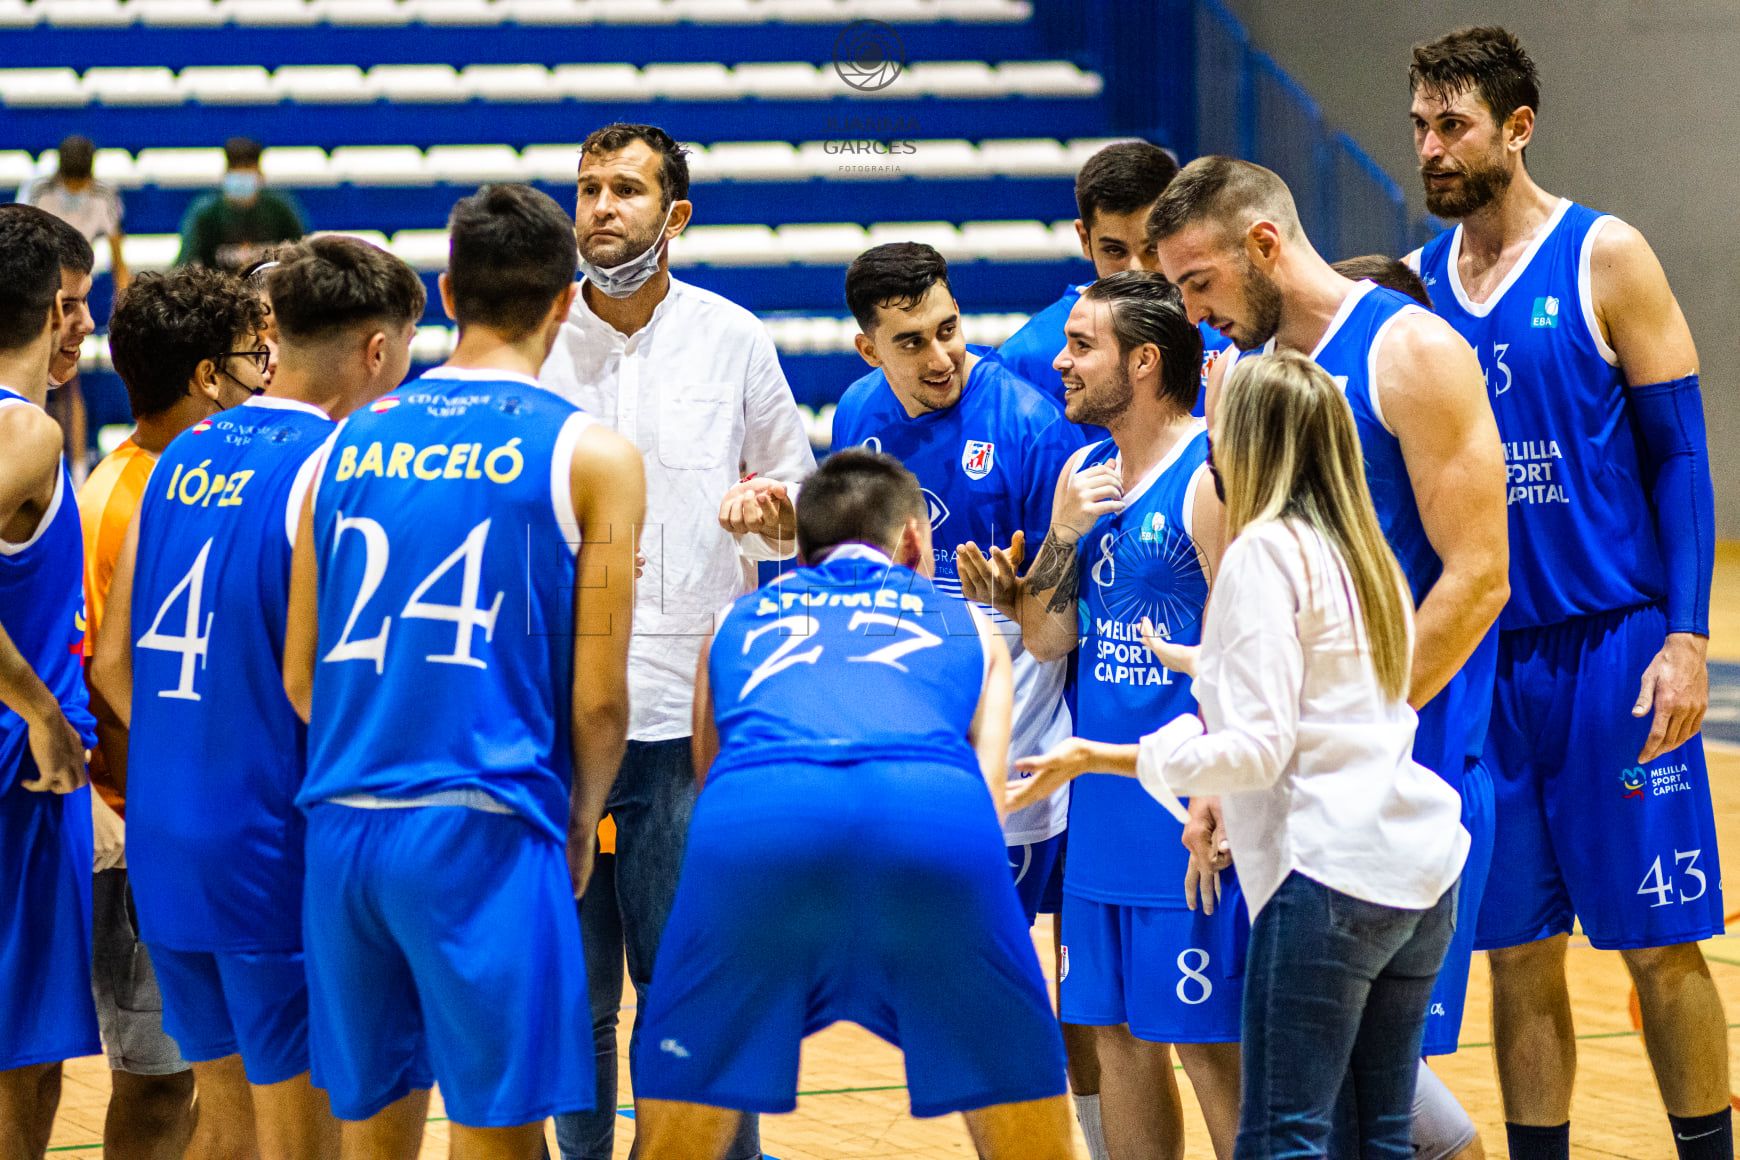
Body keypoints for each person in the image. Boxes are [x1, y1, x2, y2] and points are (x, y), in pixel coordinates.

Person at [1011, 348, 1470, 1157]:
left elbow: (1257, 751)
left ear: (1244, 440)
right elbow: (1324, 687)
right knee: (1377, 1135)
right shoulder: (1361, 551)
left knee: (1283, 1137)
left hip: (1331, 879)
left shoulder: (1263, 551)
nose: (1207, 436)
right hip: (1420, 876)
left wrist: (1108, 757)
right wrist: (1205, 662)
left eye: (1218, 418)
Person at [1408, 27, 1729, 1160]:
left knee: (1659, 938)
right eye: (1420, 127)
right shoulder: (1417, 288)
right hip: (1490, 659)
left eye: (1453, 125)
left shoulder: (1607, 256)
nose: (1432, 148)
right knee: (1517, 948)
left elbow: (1679, 457)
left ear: (1517, 127)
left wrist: (1687, 635)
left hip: (1614, 647)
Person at [1149, 156, 1509, 1157]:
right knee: (1365, 1119)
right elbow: (1240, 595)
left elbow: (1481, 573)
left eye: (1198, 283)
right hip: (1295, 788)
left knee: (1362, 1119)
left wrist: (1360, 729)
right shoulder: (1244, 380)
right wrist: (1232, 761)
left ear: (1262, 244)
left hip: (1398, 781)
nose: (1191, 311)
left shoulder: (1409, 350)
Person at [284, 184, 643, 1160]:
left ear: (446, 291)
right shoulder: (593, 455)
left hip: (344, 829)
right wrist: (580, 818)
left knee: (372, 1139)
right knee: (497, 1139)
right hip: (484, 826)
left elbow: (302, 676)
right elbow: (602, 698)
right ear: (565, 301)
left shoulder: (336, 446)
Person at [631, 449, 1071, 1160]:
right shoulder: (973, 628)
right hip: (930, 823)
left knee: (676, 1147)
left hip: (760, 825)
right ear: (913, 543)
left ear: (802, 553)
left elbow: (714, 776)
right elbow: (987, 804)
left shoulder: (736, 623)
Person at [91, 238, 425, 1160]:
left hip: (170, 840)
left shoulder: (178, 452)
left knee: (228, 1133)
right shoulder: (342, 462)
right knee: (300, 1144)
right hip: (272, 850)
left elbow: (114, 663)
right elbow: (323, 682)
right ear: (377, 350)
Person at [539, 121, 814, 1160]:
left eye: (627, 190)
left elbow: (800, 498)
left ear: (677, 215)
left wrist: (776, 511)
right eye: (589, 189)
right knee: (575, 999)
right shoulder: (541, 339)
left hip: (696, 722)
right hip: (560, 721)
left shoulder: (736, 336)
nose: (602, 207)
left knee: (695, 986)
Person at [959, 272, 1242, 1160]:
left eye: (1083, 346)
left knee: (1209, 1048)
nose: (1060, 361)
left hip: (1187, 814)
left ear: (1146, 361)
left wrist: (1225, 795)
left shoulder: (1210, 479)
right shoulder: (1084, 474)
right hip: (1103, 807)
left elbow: (1250, 652)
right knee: (1117, 1043)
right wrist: (1060, 540)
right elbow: (1046, 636)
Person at [79, 264, 275, 1160]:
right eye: (249, 353)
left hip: (174, 825)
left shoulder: (182, 478)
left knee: (206, 1091)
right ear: (207, 376)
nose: (266, 369)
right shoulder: (126, 497)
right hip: (147, 828)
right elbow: (104, 679)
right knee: (161, 1092)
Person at [832, 241, 1081, 925]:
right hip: (899, 748)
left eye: (948, 330)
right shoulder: (856, 413)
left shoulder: (1031, 427)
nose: (940, 358)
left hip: (1006, 760)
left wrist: (1016, 596)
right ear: (868, 349)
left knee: (984, 964)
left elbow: (1056, 623)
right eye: (910, 343)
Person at [1328, 251, 1487, 1160]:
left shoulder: (1440, 512)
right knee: (1369, 1081)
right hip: (1380, 795)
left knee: (1381, 1090)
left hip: (1418, 794)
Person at [0, 203, 98, 1160]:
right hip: (17, 771)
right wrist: (38, 709)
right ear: (56, 308)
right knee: (23, 1058)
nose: (88, 323)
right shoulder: (23, 432)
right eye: (81, 303)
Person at [995, 140, 1228, 440]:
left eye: (1153, 249)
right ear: (1084, 238)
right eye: (1115, 250)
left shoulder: (1228, 336)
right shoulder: (1027, 358)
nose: (1137, 270)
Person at [17, 135, 129, 294]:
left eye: (80, 184)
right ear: (60, 174)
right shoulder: (38, 192)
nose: (74, 190)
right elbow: (20, 245)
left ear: (90, 176)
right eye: (70, 184)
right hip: (40, 271)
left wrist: (122, 302)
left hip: (79, 274)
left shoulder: (104, 196)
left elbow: (119, 262)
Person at [176, 138, 305, 273]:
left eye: (247, 169)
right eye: (236, 169)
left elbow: (304, 256)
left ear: (260, 174)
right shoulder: (205, 213)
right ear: (225, 173)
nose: (241, 176)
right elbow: (183, 264)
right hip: (220, 291)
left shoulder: (280, 209)